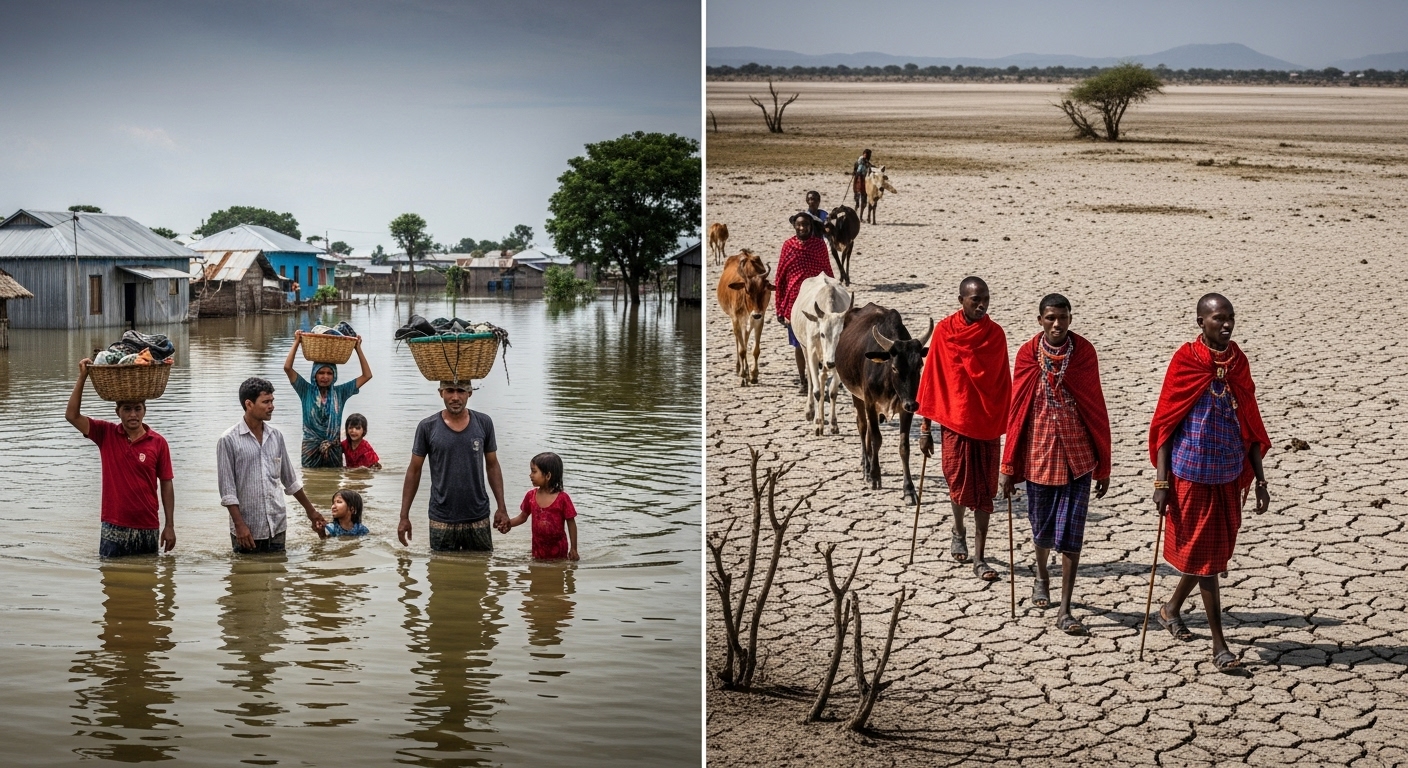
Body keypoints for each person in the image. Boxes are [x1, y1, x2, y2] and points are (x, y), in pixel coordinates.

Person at [1149, 293, 1270, 673]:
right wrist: (1161, 482)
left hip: (1229, 473)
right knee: (1208, 562)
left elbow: (1250, 422)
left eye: (1230, 317)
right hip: (1190, 474)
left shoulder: (1238, 363)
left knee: (1209, 554)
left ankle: (1170, 609)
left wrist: (1261, 480)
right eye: (1218, 318)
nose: (1227, 324)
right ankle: (1220, 646)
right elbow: (1165, 424)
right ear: (1201, 322)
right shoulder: (1186, 361)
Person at [999, 294, 1112, 635]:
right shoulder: (1027, 354)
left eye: (1062, 317)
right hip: (1040, 455)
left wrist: (1103, 464)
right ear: (1040, 320)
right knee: (1042, 527)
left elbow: (1095, 406)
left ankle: (1065, 608)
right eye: (1050, 318)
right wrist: (1008, 467)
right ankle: (1041, 575)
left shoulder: (1084, 353)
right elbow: (1017, 411)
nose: (1057, 324)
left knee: (1071, 534)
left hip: (1079, 457)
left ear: (1070, 318)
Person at [917, 276, 1012, 581]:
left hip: (987, 425)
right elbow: (932, 379)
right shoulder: (946, 331)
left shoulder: (995, 335)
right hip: (955, 423)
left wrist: (1010, 431)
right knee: (957, 483)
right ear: (961, 300)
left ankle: (980, 558)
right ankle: (958, 530)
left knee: (986, 490)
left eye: (986, 299)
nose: (982, 305)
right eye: (975, 300)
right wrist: (925, 428)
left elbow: (1003, 384)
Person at [64, 359, 176, 556]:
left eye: (137, 409)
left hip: (148, 527)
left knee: (147, 575)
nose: (133, 415)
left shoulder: (158, 442)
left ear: (144, 411)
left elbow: (166, 484)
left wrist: (170, 526)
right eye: (127, 409)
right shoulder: (105, 434)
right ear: (118, 412)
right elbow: (72, 416)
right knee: (111, 574)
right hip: (113, 527)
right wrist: (82, 377)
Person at [217, 377, 329, 553]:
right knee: (245, 569)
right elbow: (227, 491)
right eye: (266, 402)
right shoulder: (228, 440)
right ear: (249, 404)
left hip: (277, 524)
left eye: (272, 401)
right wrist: (239, 525)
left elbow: (290, 480)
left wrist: (311, 512)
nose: (271, 406)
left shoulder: (276, 436)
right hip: (248, 528)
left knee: (279, 567)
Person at [398, 381, 510, 551]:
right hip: (441, 518)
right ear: (441, 393)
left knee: (481, 566)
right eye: (450, 391)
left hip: (477, 515)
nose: (455, 397)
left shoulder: (484, 423)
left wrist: (501, 508)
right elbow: (414, 471)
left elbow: (492, 466)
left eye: (461, 391)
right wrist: (404, 516)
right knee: (440, 566)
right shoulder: (427, 427)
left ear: (470, 393)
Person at [283, 330, 373, 468]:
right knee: (310, 480)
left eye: (329, 373)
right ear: (314, 374)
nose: (325, 377)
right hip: (310, 451)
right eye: (321, 373)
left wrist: (358, 349)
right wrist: (296, 342)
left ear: (334, 375)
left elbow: (367, 376)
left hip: (333, 450)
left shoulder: (340, 392)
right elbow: (287, 368)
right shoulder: (305, 390)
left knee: (334, 480)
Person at [774, 210, 833, 394]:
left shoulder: (819, 246)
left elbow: (827, 272)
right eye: (799, 225)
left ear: (811, 226)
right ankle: (803, 381)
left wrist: (833, 296)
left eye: (805, 225)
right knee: (800, 344)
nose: (802, 228)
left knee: (821, 340)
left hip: (817, 302)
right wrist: (780, 308)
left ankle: (819, 377)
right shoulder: (788, 246)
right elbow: (780, 277)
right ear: (794, 226)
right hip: (794, 303)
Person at [507, 452, 579, 561]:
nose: (530, 475)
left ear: (548, 476)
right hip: (537, 551)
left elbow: (571, 523)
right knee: (536, 570)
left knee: (558, 570)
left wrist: (574, 548)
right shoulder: (531, 496)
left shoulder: (563, 498)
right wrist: (508, 524)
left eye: (534, 471)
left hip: (559, 552)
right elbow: (522, 517)